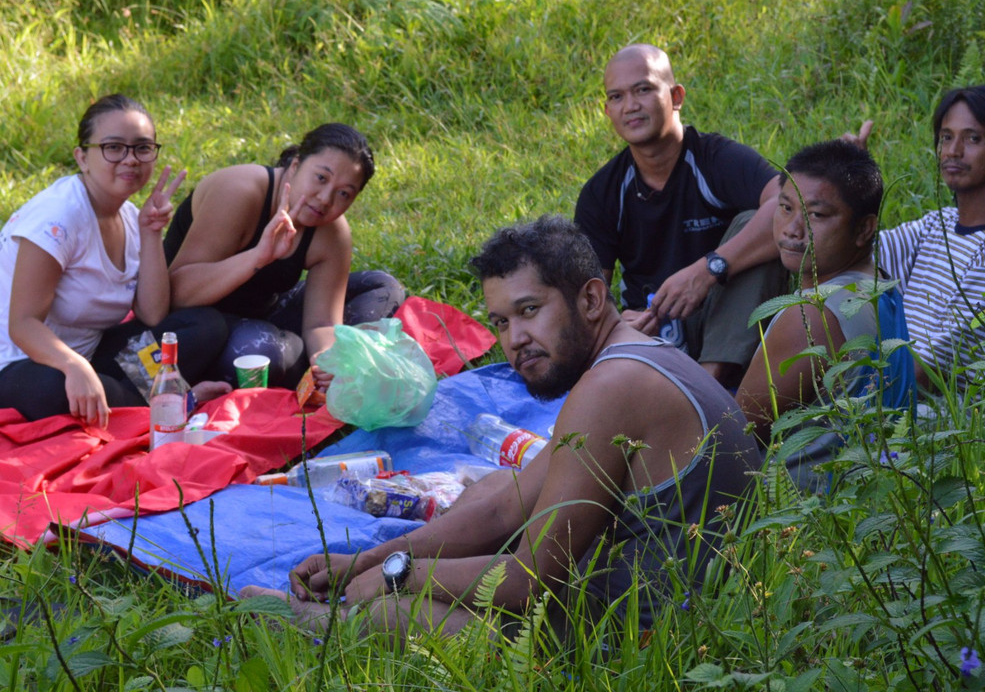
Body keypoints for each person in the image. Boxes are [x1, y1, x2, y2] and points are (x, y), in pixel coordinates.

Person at [243, 215, 761, 640]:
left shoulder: (612, 388)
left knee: (391, 615)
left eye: (530, 310)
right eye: (501, 322)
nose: (515, 340)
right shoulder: (629, 359)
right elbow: (504, 505)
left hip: (651, 640)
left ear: (590, 299)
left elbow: (527, 581)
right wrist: (366, 560)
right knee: (494, 487)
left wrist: (397, 576)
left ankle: (325, 629)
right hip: (654, 591)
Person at [0, 94, 229, 426]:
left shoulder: (130, 216)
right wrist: (73, 367)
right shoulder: (57, 219)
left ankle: (137, 396)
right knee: (54, 391)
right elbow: (22, 325)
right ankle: (171, 399)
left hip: (88, 358)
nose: (130, 159)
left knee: (205, 325)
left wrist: (150, 233)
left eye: (142, 147)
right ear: (82, 158)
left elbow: (151, 313)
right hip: (20, 364)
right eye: (114, 147)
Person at [574, 44, 787, 388]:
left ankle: (709, 390)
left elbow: (787, 206)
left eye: (643, 89)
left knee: (759, 224)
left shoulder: (714, 159)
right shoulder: (602, 193)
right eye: (616, 97)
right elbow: (586, 298)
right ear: (607, 111)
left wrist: (709, 269)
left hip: (726, 319)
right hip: (654, 334)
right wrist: (616, 325)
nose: (630, 106)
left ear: (676, 96)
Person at [163, 123, 405, 389]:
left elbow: (322, 322)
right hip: (198, 326)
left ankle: (323, 365)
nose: (325, 199)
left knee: (383, 287)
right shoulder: (239, 192)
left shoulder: (332, 234)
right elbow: (178, 295)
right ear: (295, 165)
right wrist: (257, 257)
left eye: (344, 193)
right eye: (321, 178)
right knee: (262, 352)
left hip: (263, 315)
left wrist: (326, 358)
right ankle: (291, 360)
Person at [736, 141, 915, 494]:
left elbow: (733, 432)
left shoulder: (813, 314)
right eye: (785, 207)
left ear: (865, 229)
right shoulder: (881, 287)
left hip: (797, 515)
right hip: (870, 497)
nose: (792, 228)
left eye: (816, 215)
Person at [847, 86, 985, 392]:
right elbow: (848, 258)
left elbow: (934, 368)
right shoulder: (938, 224)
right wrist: (849, 185)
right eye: (946, 137)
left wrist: (854, 399)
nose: (953, 151)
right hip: (891, 388)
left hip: (943, 418)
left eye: (973, 138)